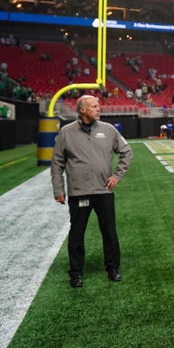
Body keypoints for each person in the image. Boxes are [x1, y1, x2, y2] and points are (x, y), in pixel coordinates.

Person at [50, 95, 132, 288]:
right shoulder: (66, 132)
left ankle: (113, 268)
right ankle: (76, 273)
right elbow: (57, 163)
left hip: (104, 191)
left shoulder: (109, 129)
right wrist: (58, 189)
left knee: (109, 232)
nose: (99, 108)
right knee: (77, 233)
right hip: (79, 192)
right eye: (94, 106)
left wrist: (117, 176)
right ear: (82, 110)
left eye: (98, 105)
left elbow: (126, 152)